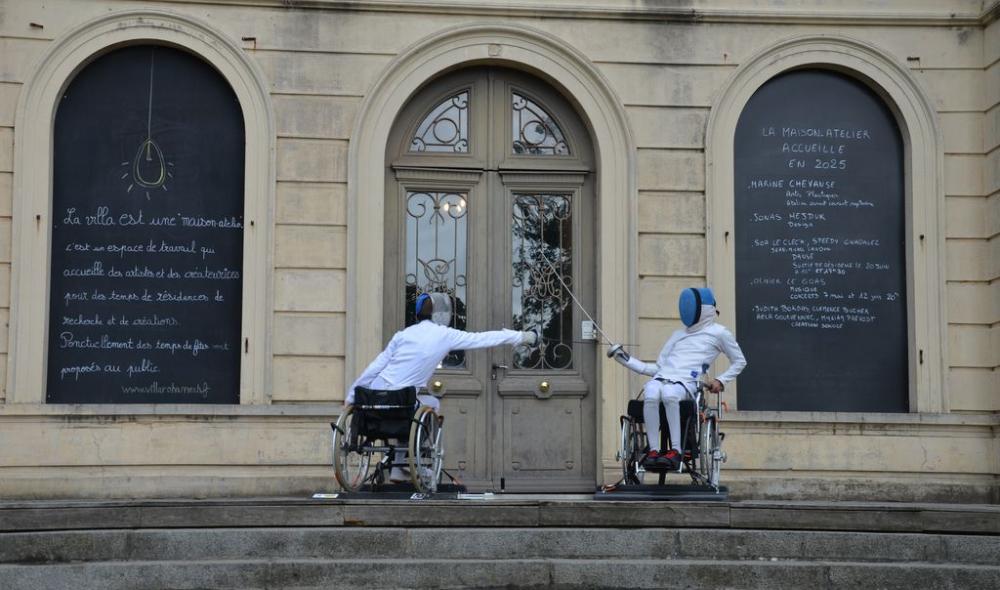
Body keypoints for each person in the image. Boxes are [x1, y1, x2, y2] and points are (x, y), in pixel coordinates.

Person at [347, 291, 536, 481]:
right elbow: (483, 338)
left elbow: (377, 365)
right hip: (404, 401)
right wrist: (522, 336)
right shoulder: (445, 335)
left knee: (412, 407)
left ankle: (398, 468)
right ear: (441, 314)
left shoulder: (402, 335)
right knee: (431, 404)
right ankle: (413, 456)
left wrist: (352, 396)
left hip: (376, 400)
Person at [608, 287, 746, 470]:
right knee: (650, 391)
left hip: (688, 383)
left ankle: (676, 451)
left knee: (669, 394)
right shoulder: (678, 334)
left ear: (703, 309)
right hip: (663, 378)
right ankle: (654, 451)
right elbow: (658, 368)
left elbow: (739, 361)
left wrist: (721, 380)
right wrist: (625, 359)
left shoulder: (719, 333)